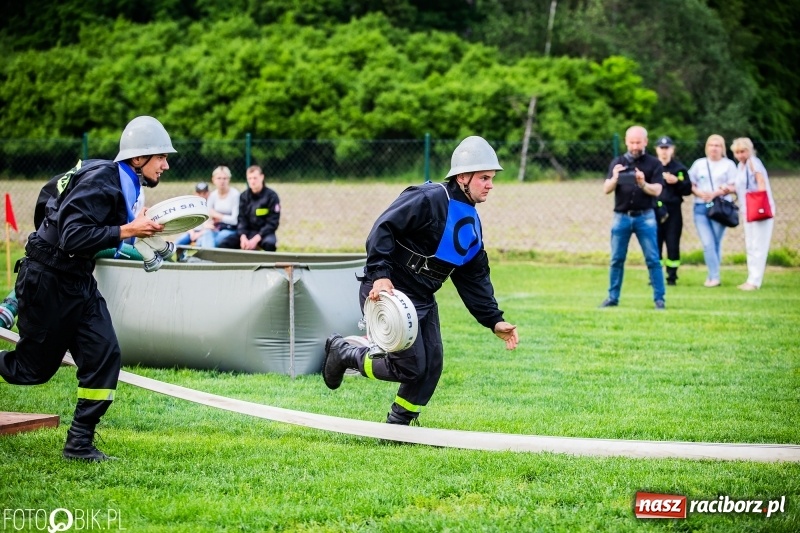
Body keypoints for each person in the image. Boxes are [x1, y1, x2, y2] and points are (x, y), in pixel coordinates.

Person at [0, 116, 175, 461]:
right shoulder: (103, 180)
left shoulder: (114, 177)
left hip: (78, 280)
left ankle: (79, 443)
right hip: (47, 281)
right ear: (138, 159)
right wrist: (127, 231)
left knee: (104, 355)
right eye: (161, 158)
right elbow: (72, 235)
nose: (166, 165)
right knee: (31, 371)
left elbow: (49, 195)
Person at [321, 136, 519, 426]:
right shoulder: (428, 198)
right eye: (484, 177)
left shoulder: (472, 222)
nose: (490, 184)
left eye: (491, 178)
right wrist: (380, 276)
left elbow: (474, 276)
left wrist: (493, 320)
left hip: (423, 299)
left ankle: (399, 425)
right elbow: (382, 229)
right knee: (411, 367)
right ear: (463, 177)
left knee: (432, 366)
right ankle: (346, 353)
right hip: (389, 291)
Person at [599, 125, 666, 309]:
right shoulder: (618, 162)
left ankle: (659, 299)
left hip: (646, 217)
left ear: (646, 141)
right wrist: (615, 177)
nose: (635, 146)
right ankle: (612, 298)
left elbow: (657, 190)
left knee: (653, 258)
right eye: (632, 142)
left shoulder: (654, 164)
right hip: (621, 217)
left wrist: (643, 183)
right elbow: (606, 189)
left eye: (638, 142)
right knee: (616, 259)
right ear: (626, 142)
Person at [688, 134, 737, 287]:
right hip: (701, 207)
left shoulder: (728, 165)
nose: (714, 148)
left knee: (715, 242)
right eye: (711, 145)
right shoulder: (699, 164)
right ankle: (715, 277)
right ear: (706, 147)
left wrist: (717, 193)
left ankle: (712, 276)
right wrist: (699, 193)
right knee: (708, 243)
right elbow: (690, 183)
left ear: (722, 148)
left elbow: (735, 186)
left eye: (717, 145)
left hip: (719, 208)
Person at [729, 137, 775, 290]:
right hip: (747, 210)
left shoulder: (753, 163)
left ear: (749, 150)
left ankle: (755, 281)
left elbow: (760, 182)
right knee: (750, 245)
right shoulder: (740, 166)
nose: (740, 155)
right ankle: (751, 278)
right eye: (737, 152)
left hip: (758, 210)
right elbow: (740, 187)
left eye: (743, 151)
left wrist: (760, 205)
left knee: (758, 245)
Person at [654, 136, 692, 285]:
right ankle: (655, 276)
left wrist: (677, 182)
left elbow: (688, 189)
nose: (664, 152)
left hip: (674, 210)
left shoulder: (679, 169)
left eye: (667, 148)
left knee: (673, 243)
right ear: (656, 150)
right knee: (654, 244)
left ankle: (671, 277)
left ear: (672, 150)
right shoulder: (653, 167)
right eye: (661, 148)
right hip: (655, 209)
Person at [237, 165, 280, 251]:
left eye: (255, 178)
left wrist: (257, 238)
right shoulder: (244, 196)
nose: (252, 181)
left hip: (265, 233)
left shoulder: (272, 196)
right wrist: (243, 236)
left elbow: (273, 222)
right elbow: (242, 219)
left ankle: (270, 264)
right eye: (250, 178)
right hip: (248, 232)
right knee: (226, 242)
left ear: (262, 177)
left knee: (270, 243)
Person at [199, 165, 240, 249]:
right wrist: (207, 224)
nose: (222, 181)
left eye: (225, 178)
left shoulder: (235, 195)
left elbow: (235, 220)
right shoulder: (213, 195)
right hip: (215, 228)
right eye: (219, 178)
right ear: (213, 180)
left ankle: (207, 260)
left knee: (209, 241)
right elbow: (207, 215)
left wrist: (219, 216)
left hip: (230, 230)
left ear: (229, 180)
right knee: (206, 234)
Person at [174, 182, 211, 247]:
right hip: (192, 232)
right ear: (195, 193)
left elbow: (211, 226)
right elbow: (187, 223)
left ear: (208, 193)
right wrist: (192, 233)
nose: (202, 196)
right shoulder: (191, 207)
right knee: (177, 243)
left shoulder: (211, 206)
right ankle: (181, 257)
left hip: (204, 232)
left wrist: (199, 234)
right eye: (199, 193)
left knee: (199, 244)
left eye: (204, 193)